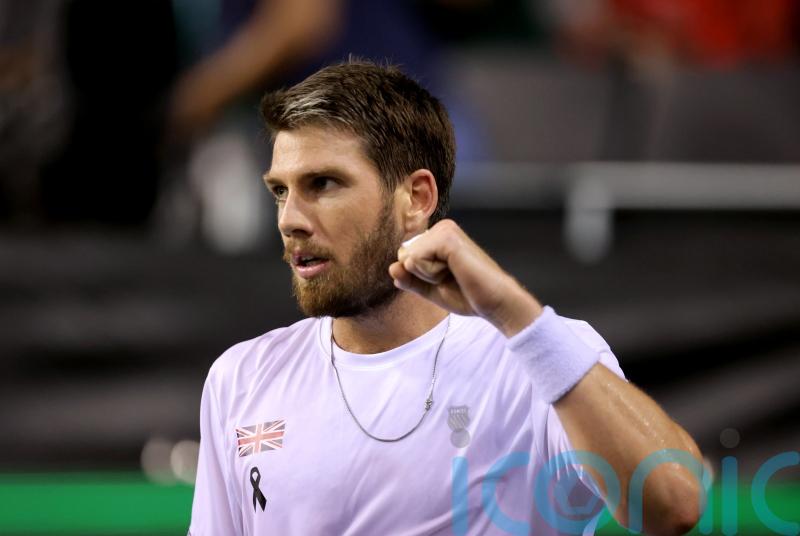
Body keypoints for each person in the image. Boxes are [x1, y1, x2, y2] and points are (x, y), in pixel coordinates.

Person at [188, 60, 704, 535]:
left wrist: (516, 315)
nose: (289, 220)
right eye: (280, 190)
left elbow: (675, 505)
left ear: (417, 198)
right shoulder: (242, 377)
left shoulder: (542, 356)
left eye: (323, 183)